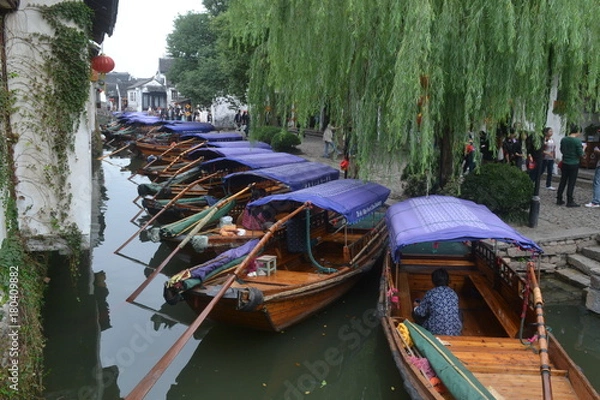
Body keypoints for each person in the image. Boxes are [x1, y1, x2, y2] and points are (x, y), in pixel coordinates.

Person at [412, 268, 462, 336]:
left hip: (435, 332)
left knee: (415, 314)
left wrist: (416, 307)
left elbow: (420, 313)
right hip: (455, 333)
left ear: (433, 281)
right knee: (460, 312)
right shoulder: (453, 293)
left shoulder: (431, 293)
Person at [557, 124, 584, 207]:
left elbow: (561, 150)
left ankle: (559, 198)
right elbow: (581, 154)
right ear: (578, 131)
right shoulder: (577, 141)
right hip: (574, 163)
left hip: (565, 162)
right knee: (571, 182)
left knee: (563, 181)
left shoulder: (564, 139)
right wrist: (584, 148)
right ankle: (569, 200)